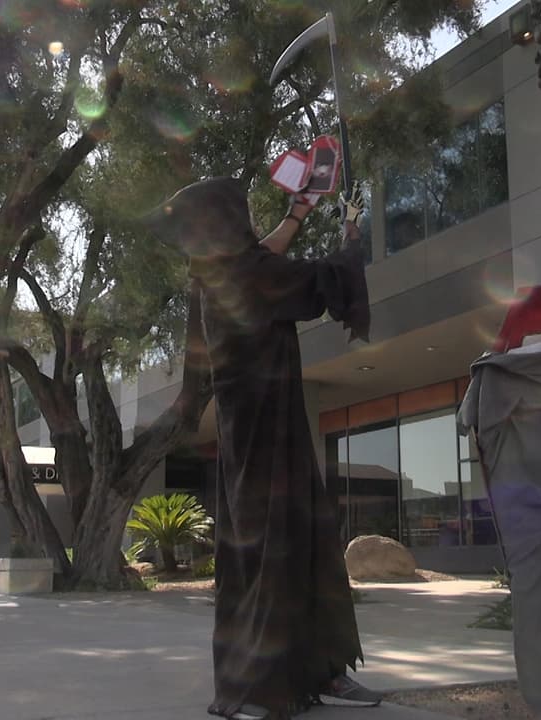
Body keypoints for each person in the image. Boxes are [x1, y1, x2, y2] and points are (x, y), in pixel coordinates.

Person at [147, 178, 381, 720]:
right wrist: (350, 231)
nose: (251, 221)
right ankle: (263, 682)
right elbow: (322, 280)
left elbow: (264, 257)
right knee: (280, 542)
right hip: (266, 432)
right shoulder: (245, 273)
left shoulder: (219, 270)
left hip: (254, 431)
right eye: (243, 213)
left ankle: (317, 671)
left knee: (290, 540)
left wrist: (297, 213)